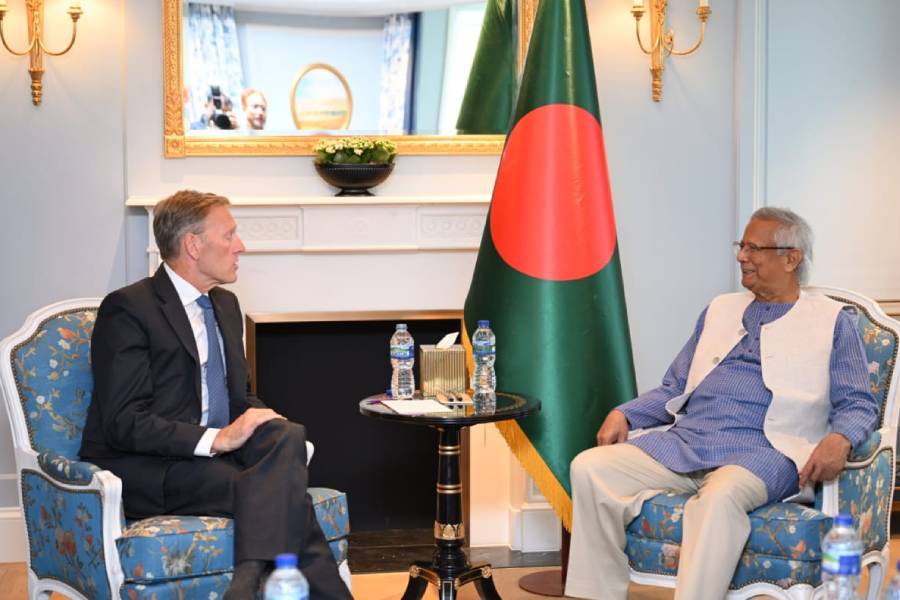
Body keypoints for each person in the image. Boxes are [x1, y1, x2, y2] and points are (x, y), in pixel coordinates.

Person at [565, 207, 878, 600]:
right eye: (741, 246)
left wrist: (840, 438)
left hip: (766, 451)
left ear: (791, 258)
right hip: (688, 441)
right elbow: (674, 387)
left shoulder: (833, 321)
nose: (742, 256)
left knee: (718, 499)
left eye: (754, 248)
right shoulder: (719, 309)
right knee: (590, 467)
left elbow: (858, 403)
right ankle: (597, 595)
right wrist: (624, 413)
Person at [79, 190, 351, 600]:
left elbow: (239, 398)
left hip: (213, 455)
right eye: (229, 235)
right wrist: (216, 439)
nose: (241, 246)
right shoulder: (129, 308)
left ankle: (247, 577)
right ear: (193, 244)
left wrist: (264, 420)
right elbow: (123, 421)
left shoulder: (224, 304)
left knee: (288, 434)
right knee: (277, 491)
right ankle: (260, 584)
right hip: (151, 464)